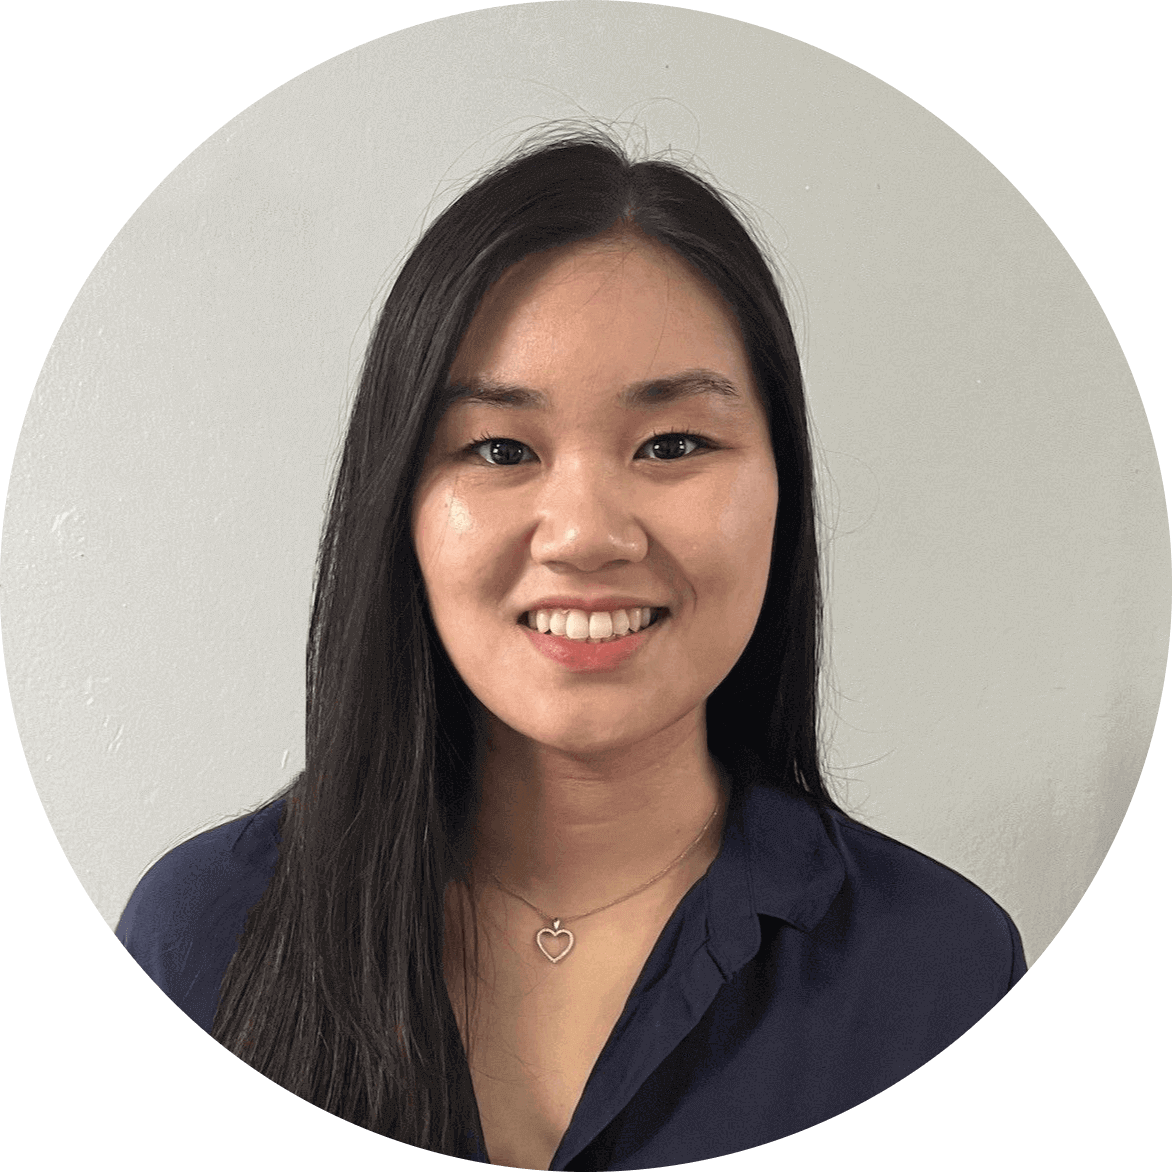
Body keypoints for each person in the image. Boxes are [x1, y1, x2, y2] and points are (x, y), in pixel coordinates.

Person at [116, 126, 1026, 1168]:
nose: (587, 534)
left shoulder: (940, 973)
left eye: (672, 444)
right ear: (398, 504)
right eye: (501, 448)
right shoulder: (201, 932)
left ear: (782, 489)